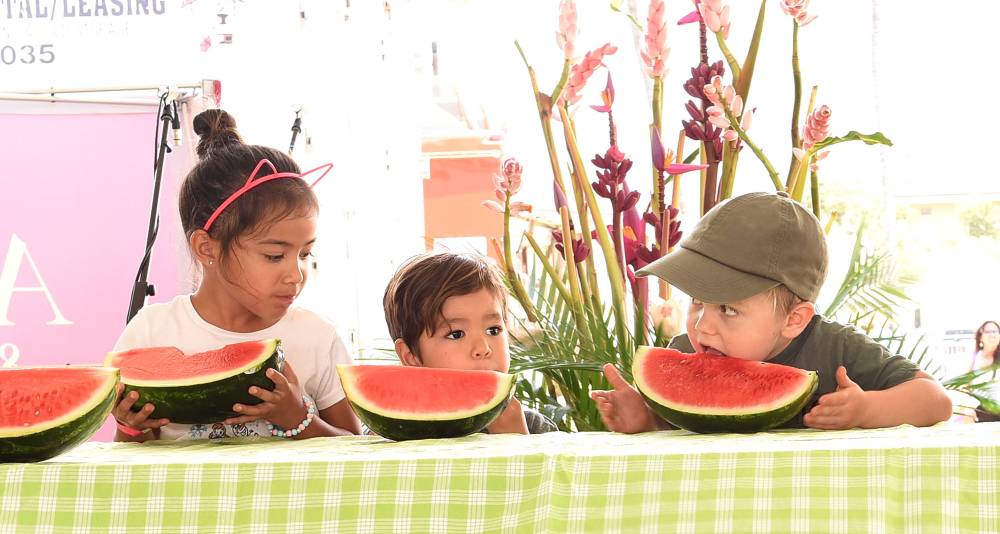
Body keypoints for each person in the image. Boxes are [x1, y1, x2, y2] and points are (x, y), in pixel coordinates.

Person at [591, 191, 953, 432]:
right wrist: (648, 419)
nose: (703, 326)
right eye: (697, 301)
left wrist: (867, 409)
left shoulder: (838, 349)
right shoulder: (685, 351)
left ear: (794, 320)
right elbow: (681, 424)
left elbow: (935, 401)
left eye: (728, 308)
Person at [111, 109, 361, 441]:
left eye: (305, 254)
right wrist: (132, 426)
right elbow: (130, 458)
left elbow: (354, 447)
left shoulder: (317, 337)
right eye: (274, 256)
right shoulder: (151, 332)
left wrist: (296, 418)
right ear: (206, 248)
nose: (295, 275)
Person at [382, 251, 558, 434]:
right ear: (411, 356)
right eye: (456, 334)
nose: (483, 348)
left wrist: (518, 439)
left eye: (493, 330)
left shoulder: (534, 427)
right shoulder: (390, 432)